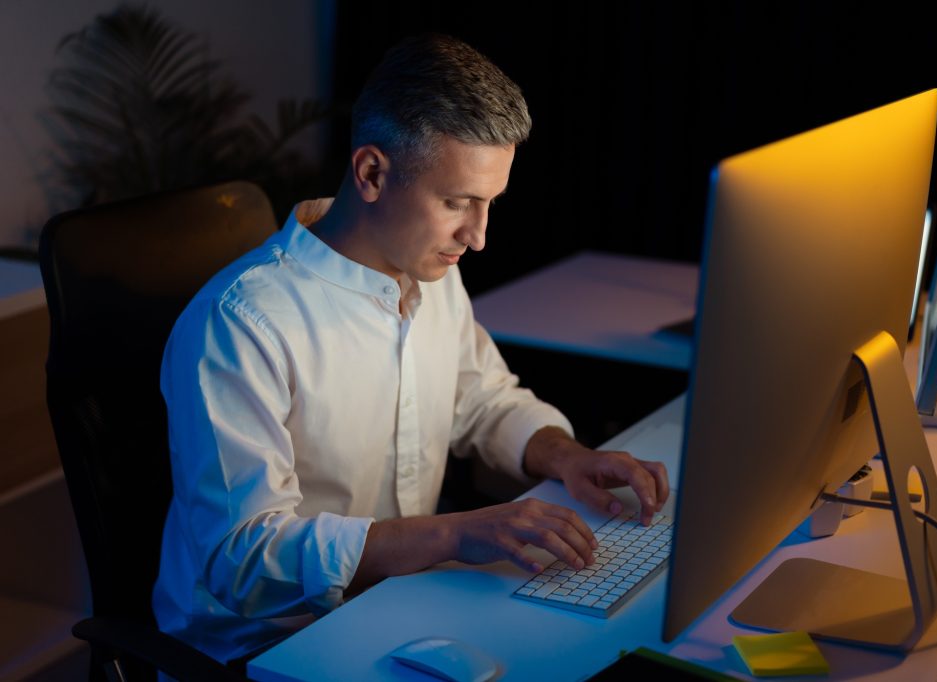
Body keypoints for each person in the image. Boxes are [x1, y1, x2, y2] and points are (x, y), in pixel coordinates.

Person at [153, 33, 669, 665]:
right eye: (457, 203)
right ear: (372, 173)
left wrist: (566, 456)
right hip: (271, 646)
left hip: (402, 604)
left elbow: (479, 399)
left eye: (489, 205)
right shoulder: (241, 322)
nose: (477, 238)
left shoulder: (430, 269)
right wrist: (454, 532)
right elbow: (243, 558)